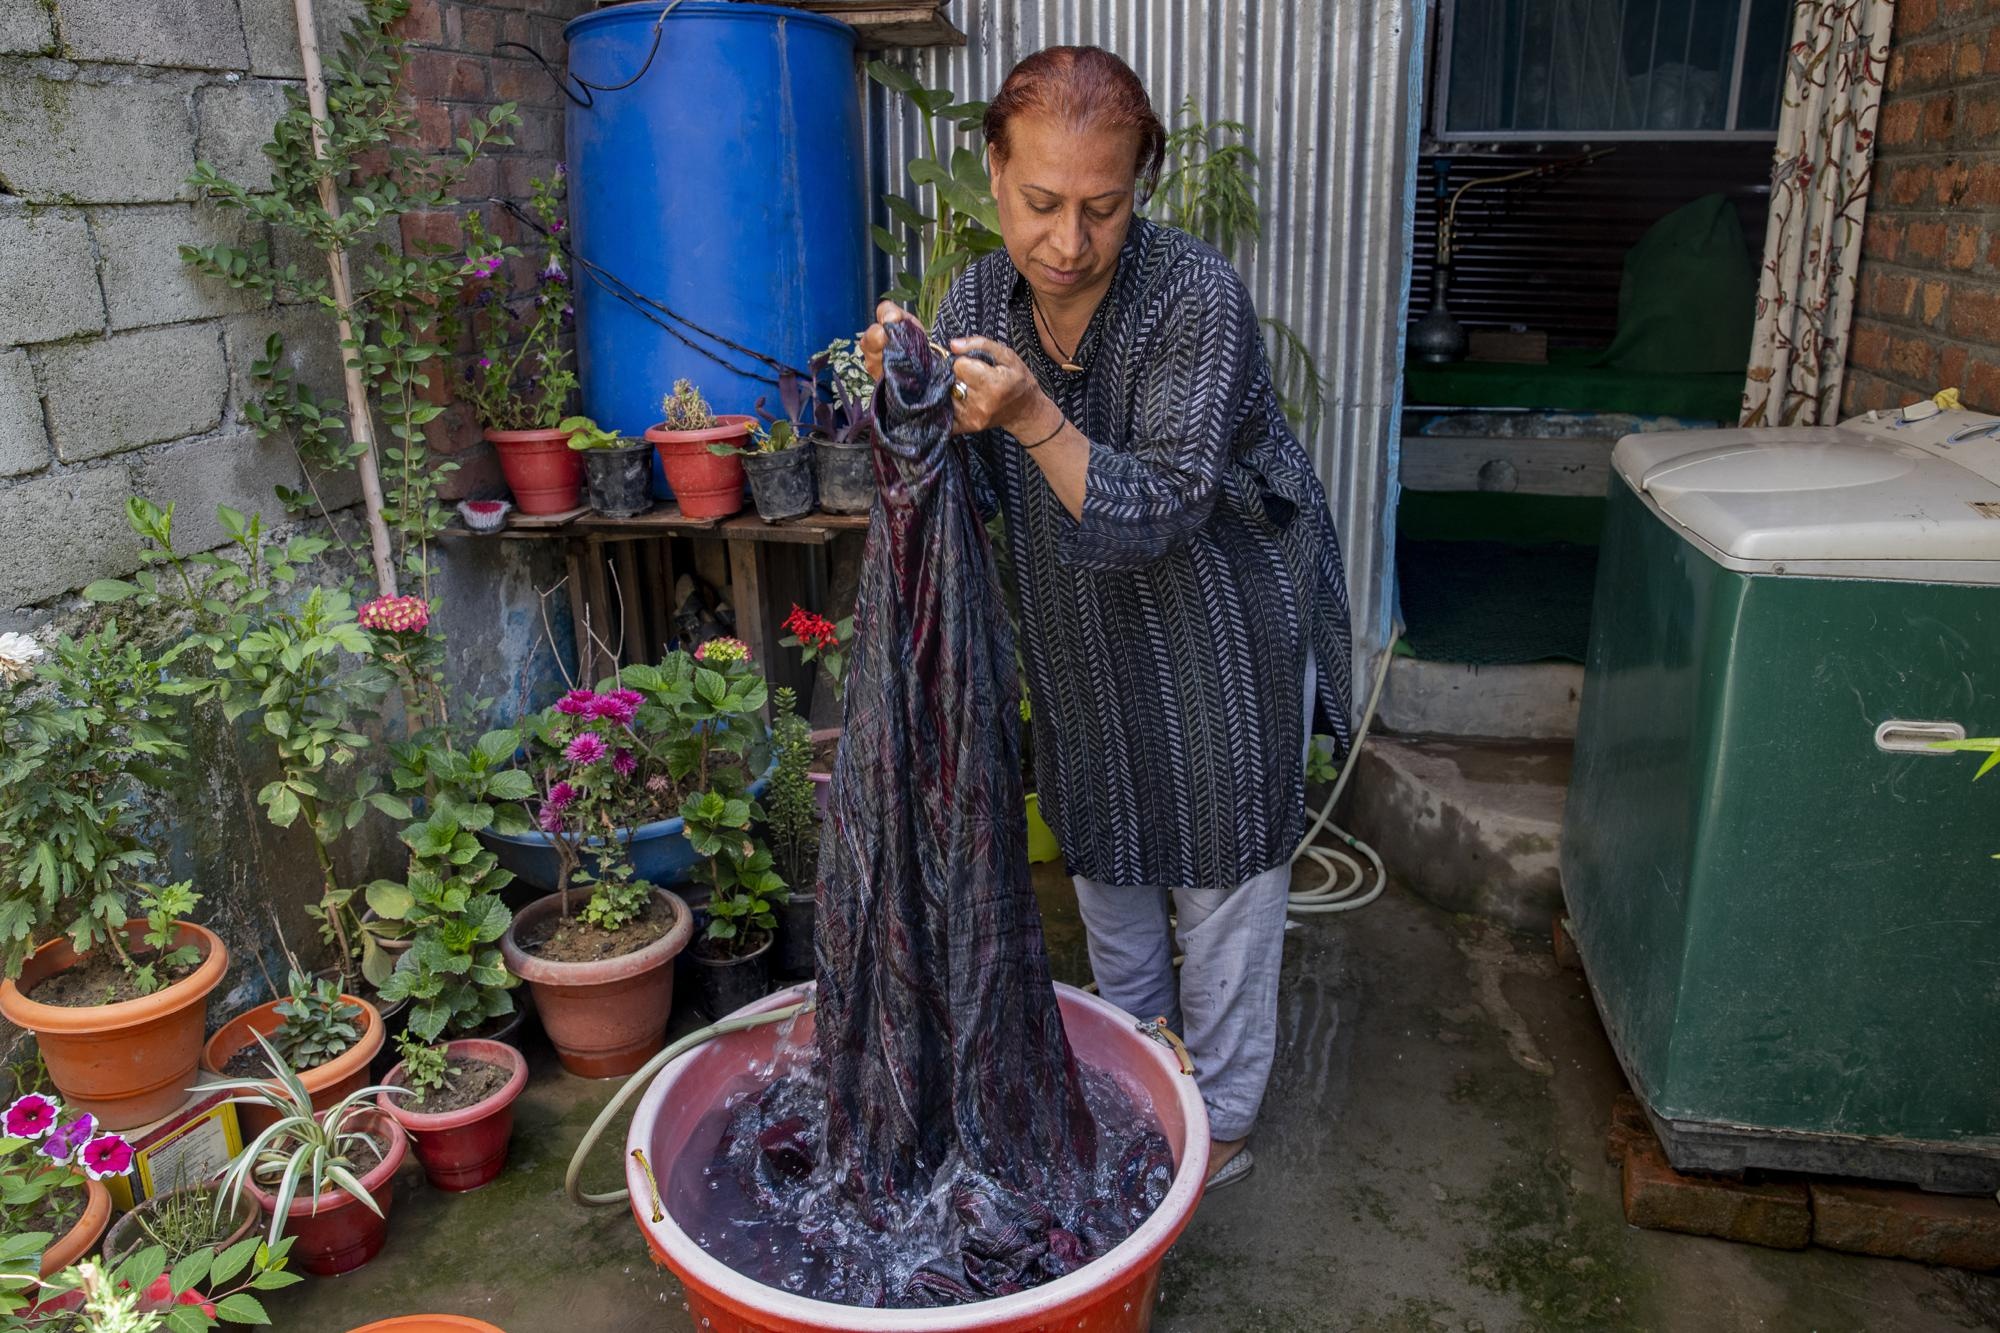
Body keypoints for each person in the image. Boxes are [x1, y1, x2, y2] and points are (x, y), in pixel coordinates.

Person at [861, 45, 1354, 1192]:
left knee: (1222, 881)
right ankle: (1137, 1088)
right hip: (1078, 632)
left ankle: (1217, 1122)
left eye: (1102, 207)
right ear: (992, 173)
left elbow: (1167, 507)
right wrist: (903, 398)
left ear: (1141, 191)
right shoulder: (979, 299)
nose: (1067, 243)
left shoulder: (1194, 298)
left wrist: (1031, 414)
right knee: (1107, 862)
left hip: (1218, 630)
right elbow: (966, 497)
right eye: (1039, 203)